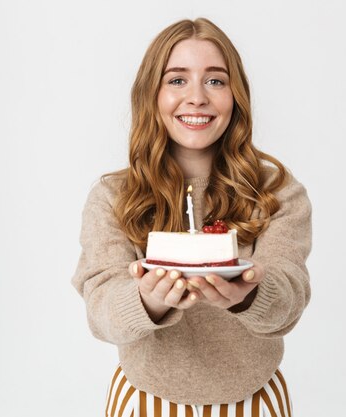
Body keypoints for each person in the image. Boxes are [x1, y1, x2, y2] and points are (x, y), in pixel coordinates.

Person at [72, 17, 312, 417]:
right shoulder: (112, 196)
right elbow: (100, 311)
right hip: (145, 399)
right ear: (152, 94)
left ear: (236, 95)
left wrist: (250, 294)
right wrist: (147, 300)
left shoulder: (277, 191)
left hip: (254, 399)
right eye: (177, 80)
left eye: (215, 81)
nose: (197, 97)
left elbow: (290, 300)